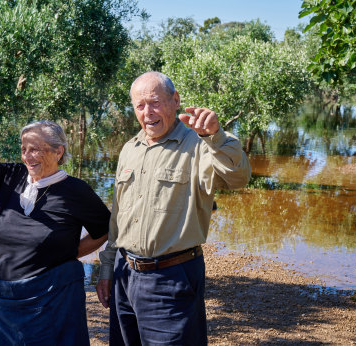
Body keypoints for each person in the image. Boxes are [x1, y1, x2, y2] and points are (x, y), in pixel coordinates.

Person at [96, 71, 251, 345]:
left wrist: (215, 135)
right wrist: (107, 269)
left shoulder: (199, 144)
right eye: (139, 106)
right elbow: (117, 217)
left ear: (175, 100)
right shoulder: (129, 148)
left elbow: (237, 178)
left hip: (170, 279)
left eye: (154, 102)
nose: (148, 113)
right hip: (123, 274)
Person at [0, 108, 110, 345]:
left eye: (35, 149)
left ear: (58, 151)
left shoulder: (76, 191)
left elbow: (105, 230)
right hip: (3, 299)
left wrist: (71, 252)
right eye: (24, 149)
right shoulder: (10, 176)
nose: (27, 156)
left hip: (51, 299)